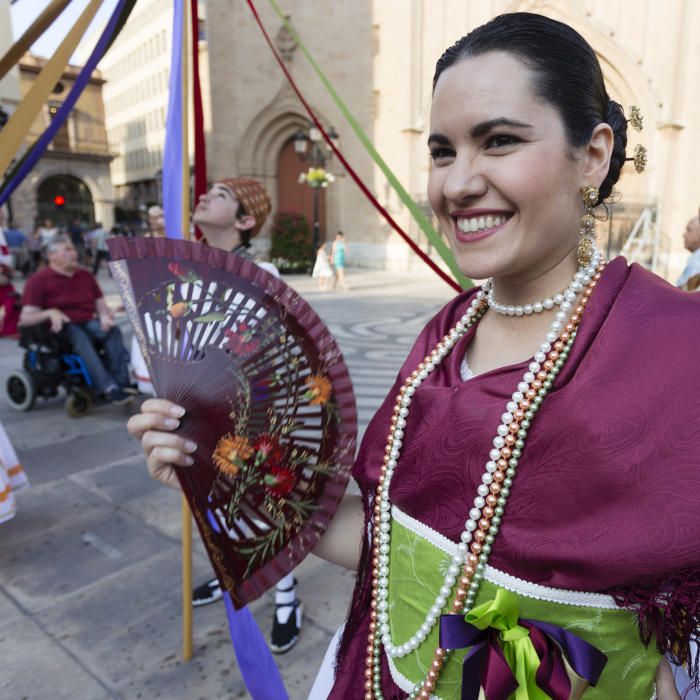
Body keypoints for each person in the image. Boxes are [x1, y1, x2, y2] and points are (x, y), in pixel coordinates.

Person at [125, 14, 700, 699]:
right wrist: (215, 468)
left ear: (594, 155)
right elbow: (385, 550)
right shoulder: (443, 339)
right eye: (442, 151)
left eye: (500, 141)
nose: (457, 185)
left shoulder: (676, 345)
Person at [128, 178, 304, 654]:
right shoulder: (180, 266)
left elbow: (259, 348)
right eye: (209, 190)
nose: (206, 195)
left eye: (223, 194)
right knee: (209, 505)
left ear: (245, 220)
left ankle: (286, 594)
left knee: (259, 505)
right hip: (191, 410)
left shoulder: (260, 271)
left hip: (248, 412)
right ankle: (229, 573)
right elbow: (153, 341)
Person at [19, 234, 133, 405]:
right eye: (67, 250)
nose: (74, 253)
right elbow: (25, 318)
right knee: (77, 334)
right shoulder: (38, 280)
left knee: (112, 331)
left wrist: (104, 316)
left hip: (87, 321)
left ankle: (122, 384)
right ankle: (108, 388)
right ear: (52, 256)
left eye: (73, 249)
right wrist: (50, 312)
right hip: (59, 331)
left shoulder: (85, 276)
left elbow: (101, 306)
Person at [676, 214, 700, 290]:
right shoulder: (694, 259)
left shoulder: (697, 261)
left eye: (689, 230)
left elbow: (685, 295)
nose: (683, 235)